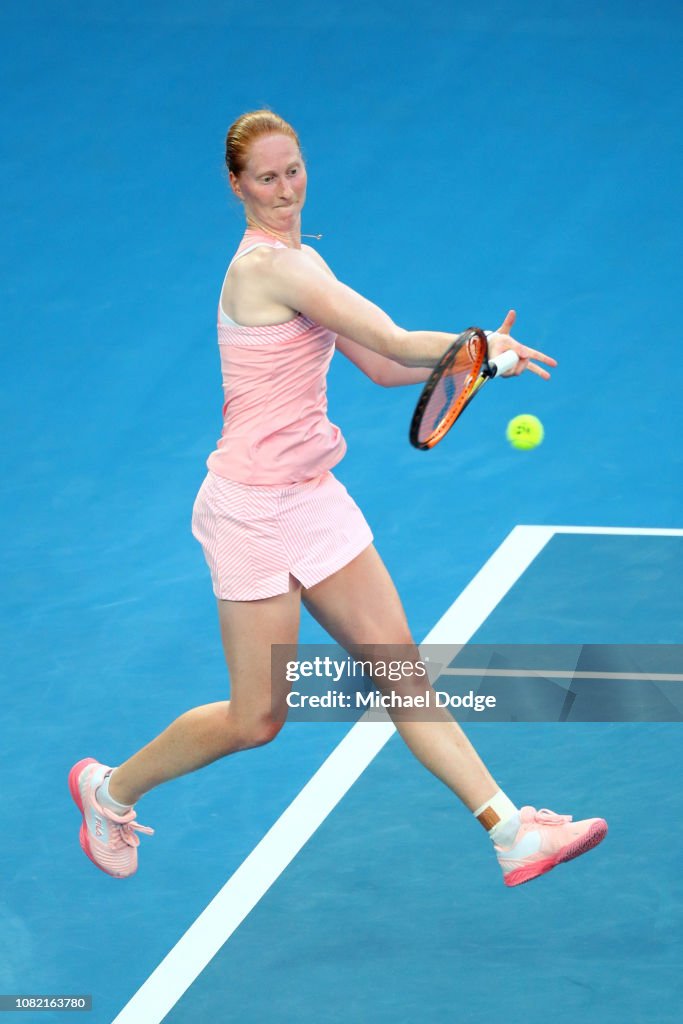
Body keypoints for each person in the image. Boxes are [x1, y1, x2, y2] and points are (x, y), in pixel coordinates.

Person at [68, 109, 607, 888]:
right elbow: (392, 339)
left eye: (292, 171)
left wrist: (479, 360)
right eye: (265, 178)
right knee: (257, 719)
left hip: (312, 498)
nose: (284, 189)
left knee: (403, 675)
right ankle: (107, 789)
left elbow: (387, 370)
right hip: (250, 510)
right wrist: (484, 347)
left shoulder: (303, 266)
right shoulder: (266, 270)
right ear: (236, 186)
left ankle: (509, 832)